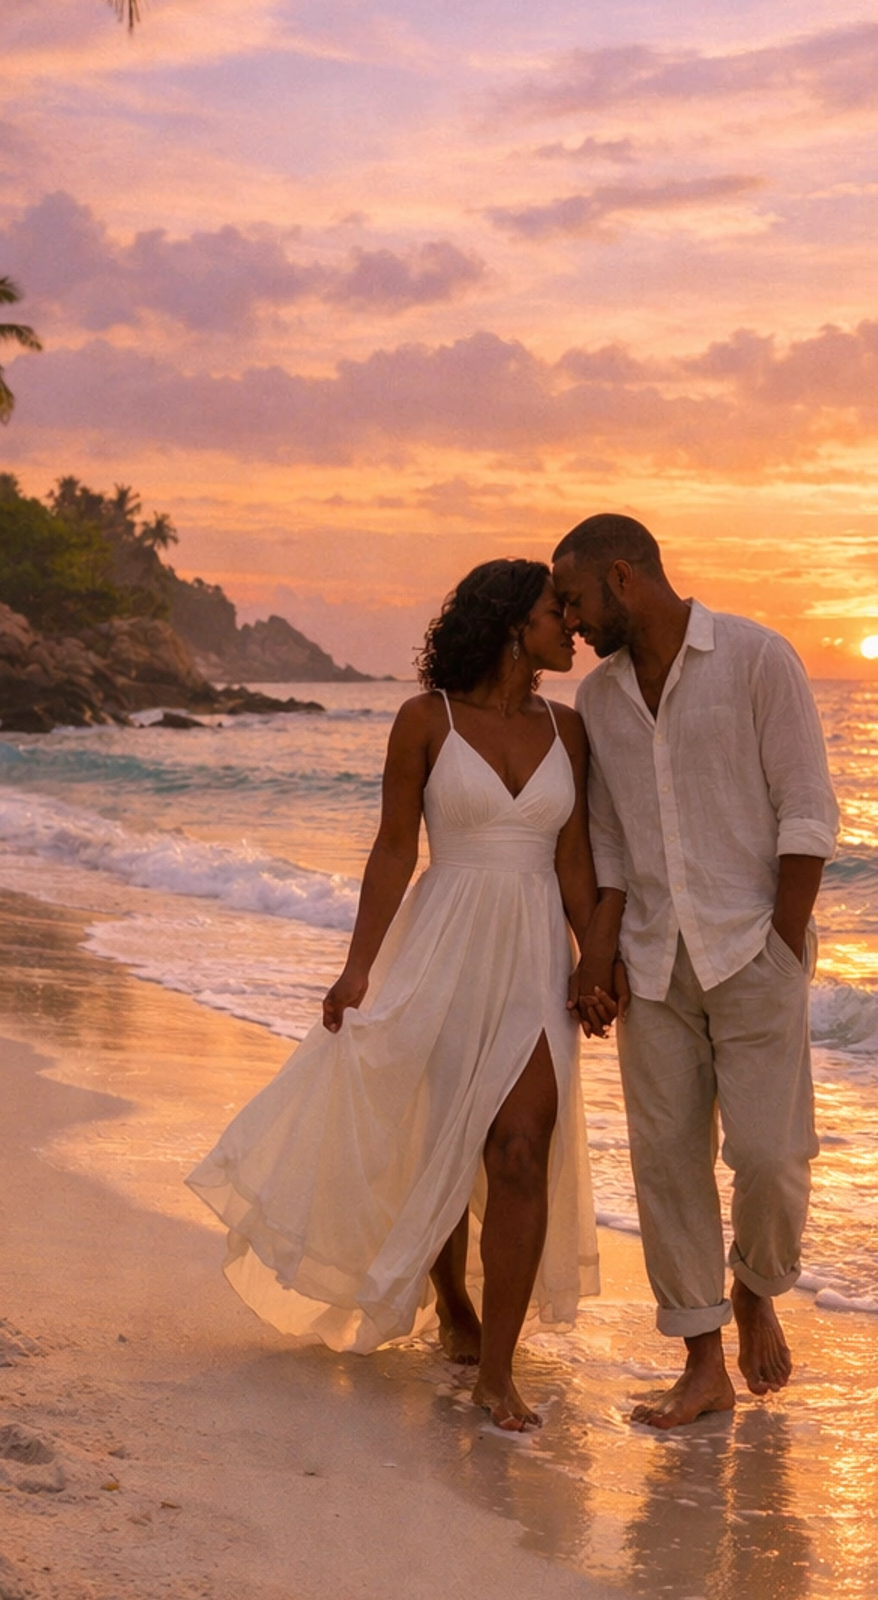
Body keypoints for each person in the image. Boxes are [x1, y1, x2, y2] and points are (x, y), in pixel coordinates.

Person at [189, 560, 617, 1431]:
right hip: (443, 946)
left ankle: (497, 1370)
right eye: (551, 613)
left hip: (533, 953)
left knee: (521, 1149)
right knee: (445, 1144)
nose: (568, 626)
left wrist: (590, 963)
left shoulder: (570, 732)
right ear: (508, 625)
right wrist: (356, 968)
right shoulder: (425, 720)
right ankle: (451, 1294)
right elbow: (393, 850)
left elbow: (577, 865)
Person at [553, 515, 839, 1430]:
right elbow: (605, 835)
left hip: (753, 950)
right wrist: (598, 953)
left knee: (768, 1157)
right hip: (653, 960)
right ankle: (702, 1360)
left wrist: (783, 940)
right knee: (667, 1164)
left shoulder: (759, 659)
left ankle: (757, 1287)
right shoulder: (599, 701)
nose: (570, 621)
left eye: (576, 598)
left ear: (624, 579)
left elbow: (807, 811)